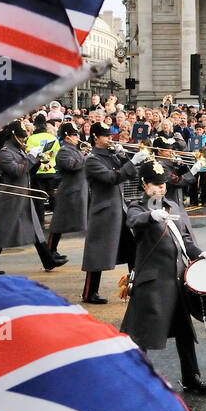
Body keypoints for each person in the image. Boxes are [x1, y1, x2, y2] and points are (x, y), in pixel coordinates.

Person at [122, 160, 206, 394]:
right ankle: (133, 378)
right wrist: (152, 216)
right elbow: (133, 221)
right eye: (155, 185)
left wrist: (199, 253)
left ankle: (191, 377)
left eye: (163, 185)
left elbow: (185, 240)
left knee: (184, 332)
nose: (161, 189)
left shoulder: (173, 205)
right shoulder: (137, 207)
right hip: (152, 282)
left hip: (176, 279)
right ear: (144, 184)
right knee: (141, 334)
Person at [0, 121, 65, 275]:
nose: (23, 139)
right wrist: (31, 158)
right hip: (11, 197)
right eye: (20, 136)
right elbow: (17, 171)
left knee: (36, 229)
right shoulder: (5, 152)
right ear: (13, 136)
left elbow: (28, 171)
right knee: (1, 232)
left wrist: (38, 159)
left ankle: (48, 261)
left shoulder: (18, 150)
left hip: (23, 194)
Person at [82, 121, 149, 304]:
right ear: (95, 137)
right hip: (103, 211)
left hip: (119, 209)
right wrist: (131, 162)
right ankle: (89, 293)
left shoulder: (109, 155)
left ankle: (135, 287)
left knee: (132, 250)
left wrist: (125, 156)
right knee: (97, 253)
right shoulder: (93, 159)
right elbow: (113, 178)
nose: (110, 138)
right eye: (106, 135)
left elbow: (130, 173)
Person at [47, 122, 88, 256]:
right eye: (74, 135)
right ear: (66, 137)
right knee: (58, 223)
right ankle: (50, 251)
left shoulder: (74, 149)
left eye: (76, 134)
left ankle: (51, 251)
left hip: (78, 190)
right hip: (69, 191)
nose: (77, 137)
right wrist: (86, 158)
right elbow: (72, 165)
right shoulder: (64, 150)